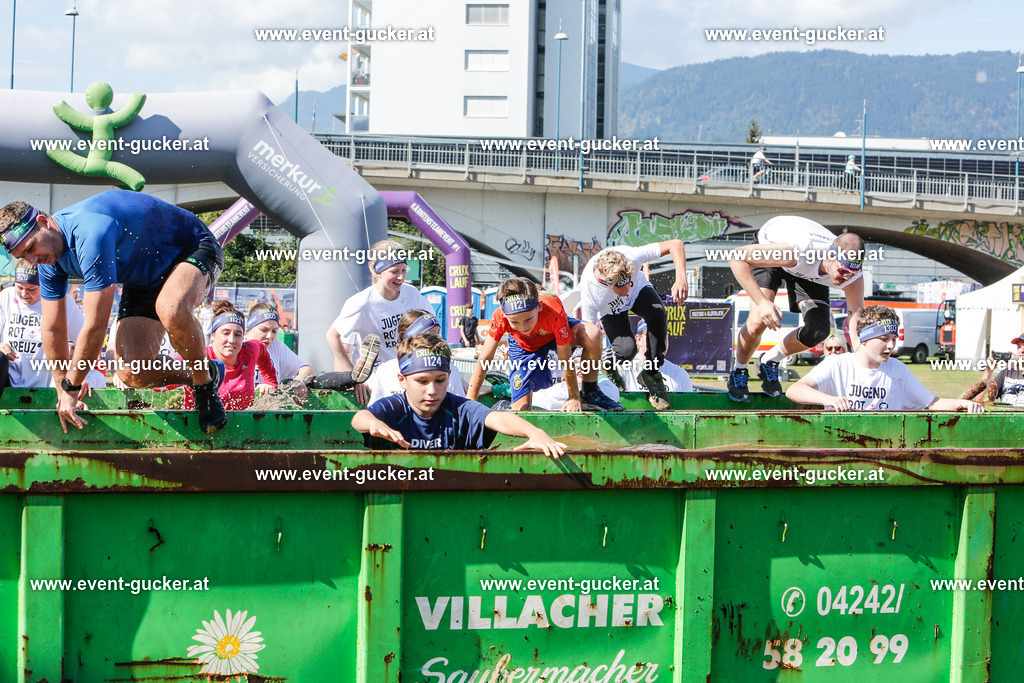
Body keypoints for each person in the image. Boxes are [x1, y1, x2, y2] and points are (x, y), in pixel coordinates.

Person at [0, 191, 228, 433]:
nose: (32, 260)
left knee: (170, 309)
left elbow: (95, 326)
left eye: (32, 248)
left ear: (44, 222)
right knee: (132, 373)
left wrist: (72, 388)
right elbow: (53, 328)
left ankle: (204, 388)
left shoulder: (90, 233)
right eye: (23, 256)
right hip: (144, 278)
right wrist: (61, 388)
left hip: (193, 248)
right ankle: (208, 371)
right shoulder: (47, 260)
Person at [352, 333, 566, 458]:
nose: (432, 390)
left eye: (440, 380)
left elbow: (498, 418)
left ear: (449, 376)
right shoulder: (395, 408)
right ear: (402, 380)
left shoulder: (459, 409)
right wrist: (374, 424)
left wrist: (534, 432)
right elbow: (359, 418)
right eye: (422, 381)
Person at [727, 216, 866, 402]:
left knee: (819, 329)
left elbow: (857, 319)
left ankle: (769, 361)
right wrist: (762, 302)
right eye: (843, 271)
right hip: (776, 252)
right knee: (758, 322)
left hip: (807, 271)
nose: (846, 278)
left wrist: (861, 356)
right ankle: (739, 370)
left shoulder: (851, 275)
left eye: (852, 273)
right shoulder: (798, 250)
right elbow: (736, 257)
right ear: (831, 257)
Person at [786, 305, 983, 412]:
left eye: (893, 339)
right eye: (884, 339)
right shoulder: (838, 364)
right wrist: (829, 400)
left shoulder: (898, 369)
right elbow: (795, 390)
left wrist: (963, 404)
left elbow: (932, 403)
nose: (890, 346)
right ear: (864, 338)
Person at [467, 277, 622, 412]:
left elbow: (565, 360)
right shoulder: (500, 317)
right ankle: (510, 395)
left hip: (552, 335)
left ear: (539, 307)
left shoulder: (552, 308)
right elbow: (484, 360)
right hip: (525, 348)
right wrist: (470, 401)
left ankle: (590, 392)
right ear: (505, 315)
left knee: (593, 334)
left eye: (528, 319)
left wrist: (574, 396)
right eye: (514, 322)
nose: (523, 327)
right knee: (521, 411)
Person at [580, 240, 688, 410]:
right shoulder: (590, 292)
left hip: (641, 291)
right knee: (627, 351)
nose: (627, 290)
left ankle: (651, 373)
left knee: (658, 312)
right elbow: (587, 336)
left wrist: (681, 278)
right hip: (611, 309)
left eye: (629, 281)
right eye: (622, 287)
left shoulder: (632, 255)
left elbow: (676, 244)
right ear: (608, 283)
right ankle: (610, 363)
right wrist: (582, 370)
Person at [327, 238, 432, 404]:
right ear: (375, 269)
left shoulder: (412, 293)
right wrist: (353, 378)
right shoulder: (362, 302)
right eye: (394, 271)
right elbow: (332, 336)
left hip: (409, 370)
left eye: (404, 270)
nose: (400, 277)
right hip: (376, 377)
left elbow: (432, 330)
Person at [0, 261, 106, 390]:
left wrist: (77, 375)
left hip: (49, 381)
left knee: (93, 378)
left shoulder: (63, 302)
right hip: (8, 380)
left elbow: (87, 342)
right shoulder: (6, 297)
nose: (24, 294)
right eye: (19, 287)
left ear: (44, 285)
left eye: (31, 289)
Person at [366, 310, 466, 406]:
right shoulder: (385, 370)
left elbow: (459, 409)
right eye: (430, 334)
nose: (438, 339)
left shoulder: (449, 369)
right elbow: (373, 412)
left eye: (438, 333)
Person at [192, 301, 278, 411]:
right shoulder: (199, 357)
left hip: (242, 425)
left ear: (243, 337)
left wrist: (269, 381)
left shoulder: (250, 350)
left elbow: (261, 348)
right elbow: (167, 373)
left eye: (238, 335)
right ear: (213, 335)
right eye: (226, 333)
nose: (232, 340)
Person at [622, 320, 693, 394]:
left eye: (663, 336)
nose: (659, 341)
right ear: (638, 339)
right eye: (652, 336)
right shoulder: (622, 371)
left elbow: (689, 405)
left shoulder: (680, 375)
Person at [978, 333, 1024, 406]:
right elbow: (980, 400)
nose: (1022, 351)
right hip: (1006, 416)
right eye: (1019, 347)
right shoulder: (1007, 372)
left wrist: (1022, 370)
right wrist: (988, 371)